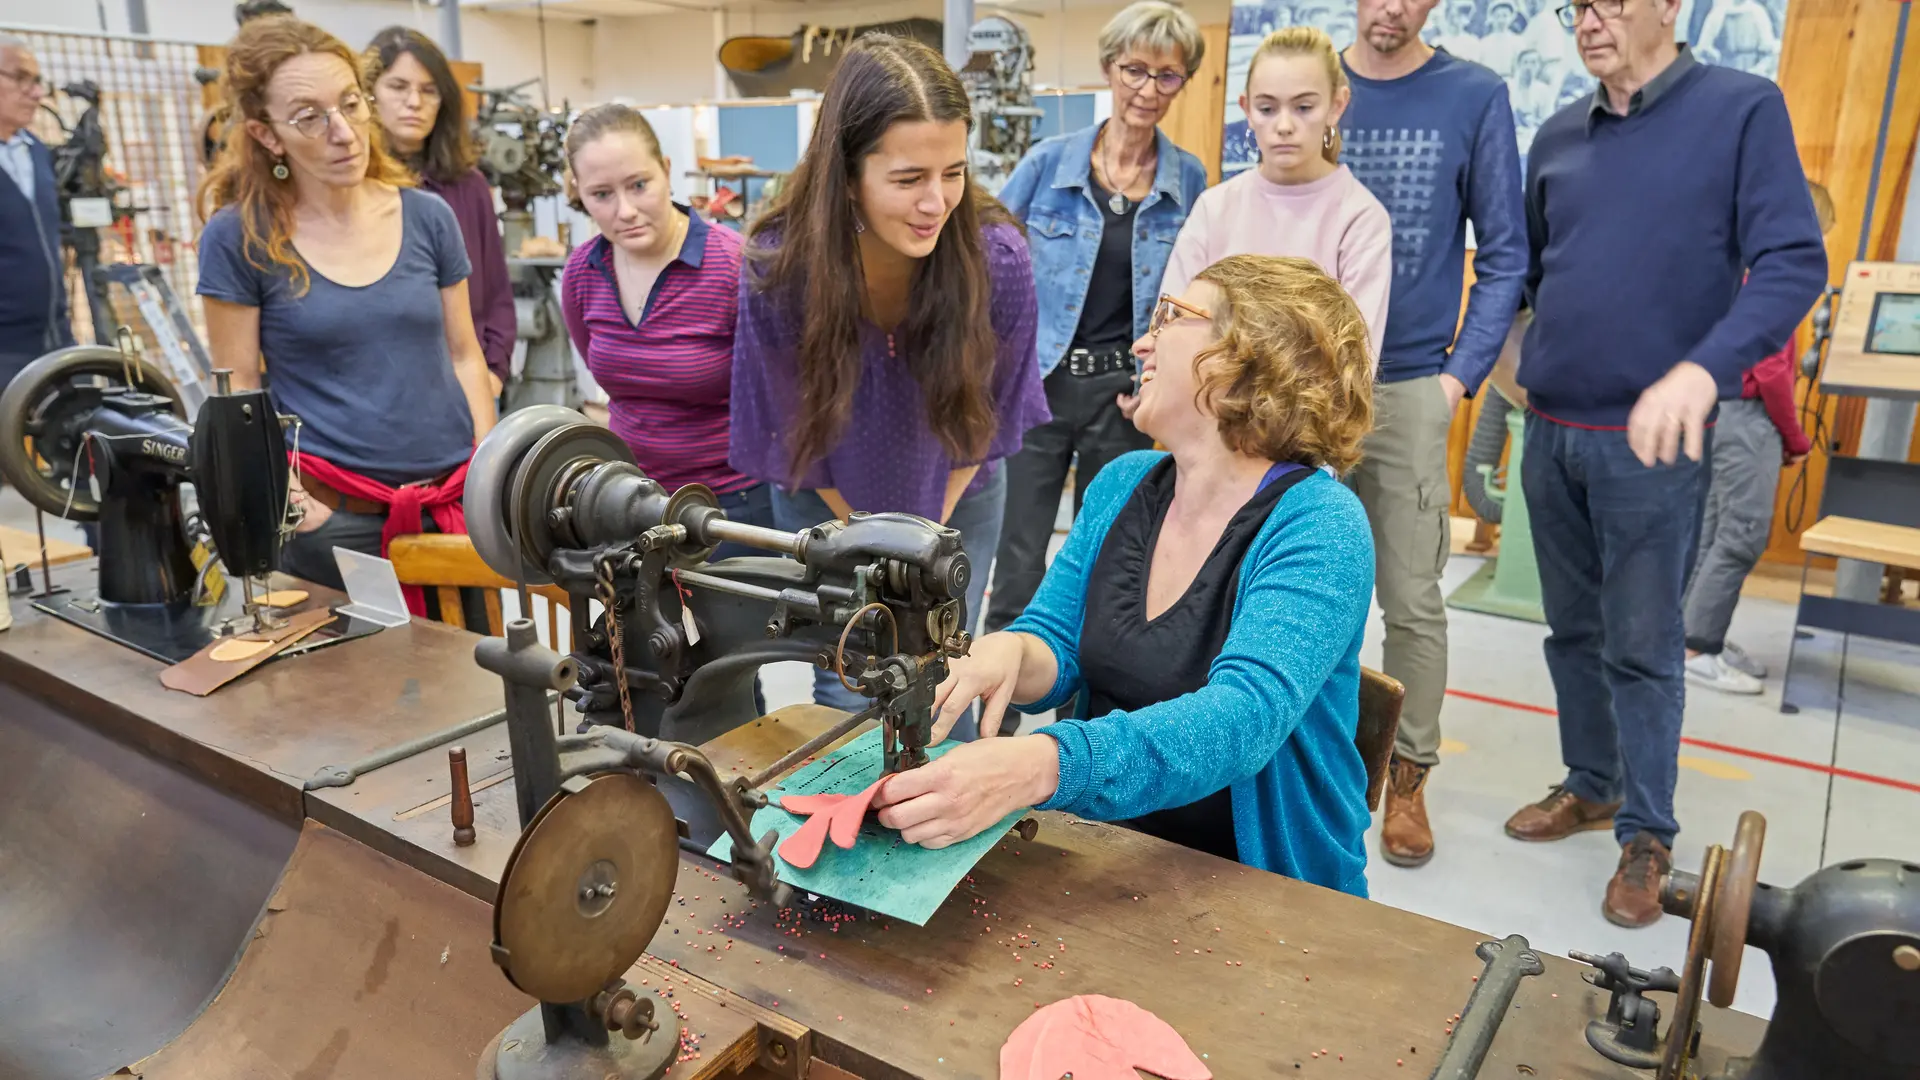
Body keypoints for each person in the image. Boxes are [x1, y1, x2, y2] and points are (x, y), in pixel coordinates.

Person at [870, 256, 1378, 896]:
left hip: (1262, 893)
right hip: (1108, 856)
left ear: (1247, 360)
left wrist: (1042, 765)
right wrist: (1007, 652)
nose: (1143, 340)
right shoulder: (1123, 483)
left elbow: (1241, 721)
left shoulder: (1319, 526)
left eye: (1171, 317)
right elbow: (1058, 640)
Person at [1503, 0, 1825, 926]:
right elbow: (1530, 275)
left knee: (1643, 647)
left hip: (1652, 446)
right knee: (1571, 635)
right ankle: (1592, 782)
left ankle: (1647, 832)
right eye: (1575, 7)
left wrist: (1701, 371)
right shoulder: (1560, 134)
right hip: (1551, 432)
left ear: (1669, 7)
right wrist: (1504, 365)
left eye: (1607, 2)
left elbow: (1794, 261)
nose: (1587, 20)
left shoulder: (1740, 110)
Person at [729, 34, 1049, 713]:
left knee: (943, 681)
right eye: (908, 180)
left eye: (954, 173)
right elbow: (796, 441)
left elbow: (990, 420)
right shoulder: (780, 270)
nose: (937, 202)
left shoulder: (998, 261)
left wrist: (922, 544)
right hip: (826, 497)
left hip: (957, 489)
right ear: (847, 173)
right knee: (844, 686)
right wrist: (876, 547)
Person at [196, 15, 498, 611]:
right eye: (309, 117)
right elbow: (237, 391)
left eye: (351, 104)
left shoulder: (428, 217)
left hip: (450, 509)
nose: (344, 133)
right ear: (266, 134)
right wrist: (299, 509)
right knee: (357, 697)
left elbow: (466, 354)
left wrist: (486, 474)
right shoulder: (240, 238)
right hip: (334, 519)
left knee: (474, 687)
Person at [1340, 0, 1527, 869]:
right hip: (1299, 384)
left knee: (1411, 595)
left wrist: (1460, 374)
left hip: (1411, 382)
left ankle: (1407, 772)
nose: (1391, 8)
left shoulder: (1473, 95)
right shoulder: (1310, 86)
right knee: (1271, 577)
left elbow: (1505, 255)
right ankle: (1290, 746)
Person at [984, 1, 1210, 636]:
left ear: (1182, 82)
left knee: (1104, 566)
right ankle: (993, 716)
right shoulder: (1046, 164)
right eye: (1135, 70)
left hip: (1125, 395)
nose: (1148, 89)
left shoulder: (1188, 179)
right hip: (1039, 387)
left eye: (1167, 76)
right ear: (1110, 68)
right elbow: (986, 260)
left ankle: (1079, 726)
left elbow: (1195, 292)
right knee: (1020, 561)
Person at [559, 104, 775, 557]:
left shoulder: (735, 265)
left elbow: (776, 397)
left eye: (639, 185)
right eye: (601, 194)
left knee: (740, 629)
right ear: (580, 193)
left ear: (666, 171)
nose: (626, 211)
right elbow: (603, 371)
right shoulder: (583, 271)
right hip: (629, 502)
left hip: (731, 507)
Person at [1682, 180, 1831, 695]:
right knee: (1742, 534)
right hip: (1746, 415)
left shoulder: (1736, 266)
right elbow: (1769, 370)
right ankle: (1698, 647)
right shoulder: (1772, 280)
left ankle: (1693, 636)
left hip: (1719, 411)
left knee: (1715, 529)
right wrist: (1795, 436)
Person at [1165, 27, 1391, 365]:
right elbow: (1174, 324)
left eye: (1303, 107)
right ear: (1247, 109)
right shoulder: (1215, 208)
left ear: (1336, 105)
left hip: (1313, 415)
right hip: (1208, 406)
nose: (1284, 125)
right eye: (1268, 109)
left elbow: (1356, 358)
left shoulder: (1360, 217)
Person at [367, 27, 514, 393]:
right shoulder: (355, 188)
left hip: (465, 384)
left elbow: (495, 289)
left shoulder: (468, 186)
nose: (414, 101)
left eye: (429, 90)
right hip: (383, 389)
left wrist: (493, 372)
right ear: (368, 95)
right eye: (398, 86)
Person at [0, 36, 74, 386]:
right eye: (21, 78)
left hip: (55, 338)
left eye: (37, 80)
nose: (36, 93)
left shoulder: (36, 151)